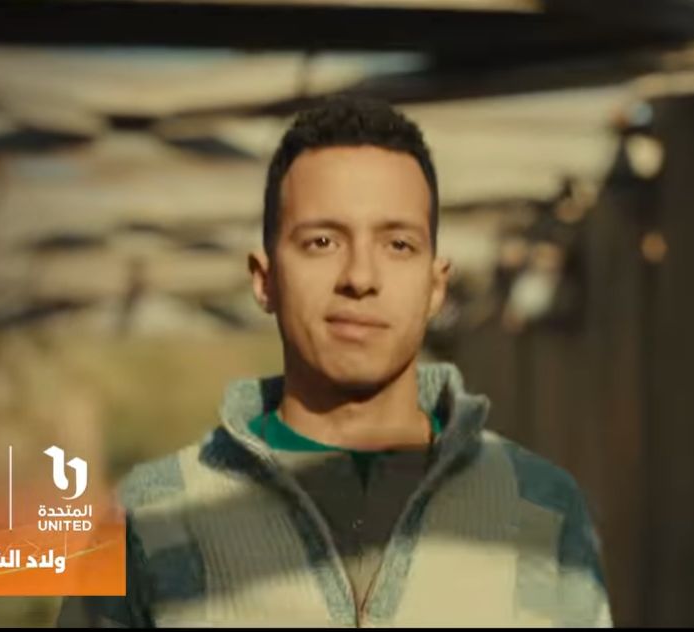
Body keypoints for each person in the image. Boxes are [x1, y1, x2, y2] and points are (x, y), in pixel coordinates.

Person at [58, 96, 611, 627]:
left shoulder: (543, 509)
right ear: (265, 280)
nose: (360, 278)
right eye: (322, 242)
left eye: (398, 245)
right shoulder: (148, 516)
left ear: (435, 286)